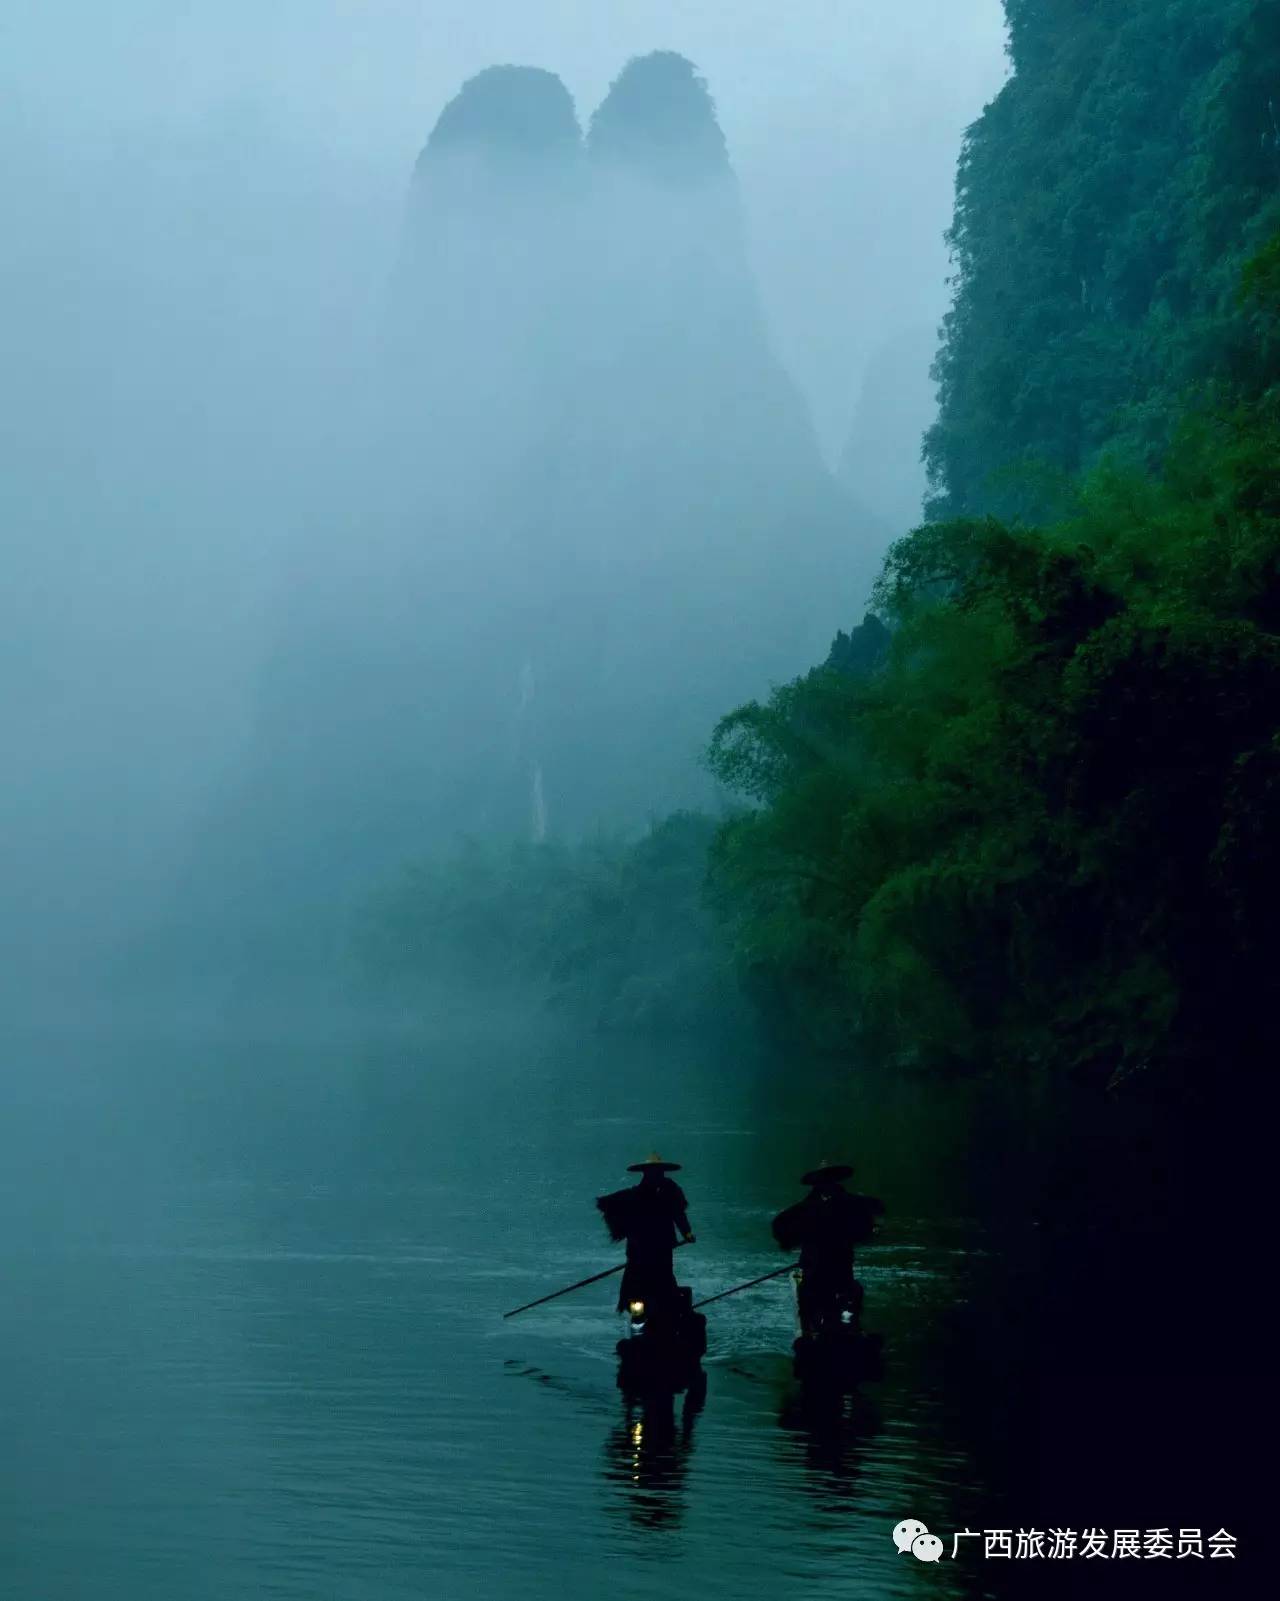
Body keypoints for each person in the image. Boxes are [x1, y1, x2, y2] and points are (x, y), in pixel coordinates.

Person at [772, 1161, 883, 1337]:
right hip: (822, 1268)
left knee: (843, 1292)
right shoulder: (813, 1206)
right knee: (822, 1293)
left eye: (828, 1180)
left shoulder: (821, 1205)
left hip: (834, 1267)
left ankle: (821, 1329)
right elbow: (780, 1227)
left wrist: (788, 1241)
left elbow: (872, 1217)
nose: (827, 1185)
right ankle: (816, 1328)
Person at [597, 1154, 696, 1316]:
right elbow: (612, 1208)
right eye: (653, 1172)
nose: (657, 1175)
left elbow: (679, 1214)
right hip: (639, 1252)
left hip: (663, 1249)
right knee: (638, 1287)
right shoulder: (635, 1196)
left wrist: (687, 1232)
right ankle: (640, 1317)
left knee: (664, 1280)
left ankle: (665, 1313)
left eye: (659, 1172)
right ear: (646, 1173)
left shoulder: (671, 1191)